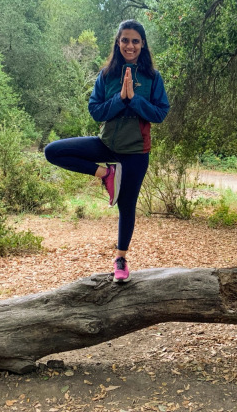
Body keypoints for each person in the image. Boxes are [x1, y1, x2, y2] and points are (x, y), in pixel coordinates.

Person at [44, 20, 170, 283]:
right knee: (53, 151)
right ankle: (106, 173)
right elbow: (96, 111)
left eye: (135, 40)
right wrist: (120, 99)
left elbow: (160, 113)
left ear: (143, 44)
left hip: (136, 151)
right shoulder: (106, 75)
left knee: (127, 207)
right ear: (117, 42)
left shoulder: (152, 78)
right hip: (106, 145)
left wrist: (134, 99)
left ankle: (121, 259)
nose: (130, 45)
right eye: (125, 40)